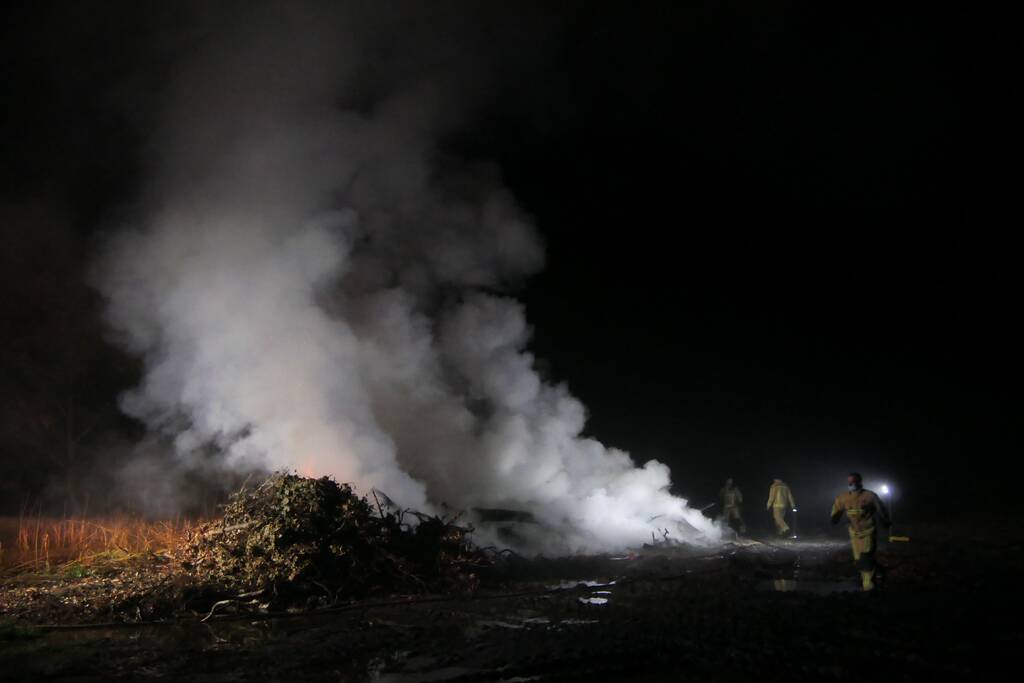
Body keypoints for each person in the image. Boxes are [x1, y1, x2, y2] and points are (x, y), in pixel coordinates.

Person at [831, 472, 890, 591]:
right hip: (854, 533)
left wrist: (885, 521)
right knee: (859, 560)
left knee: (866, 558)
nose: (851, 484)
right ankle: (877, 573)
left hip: (868, 531)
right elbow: (836, 509)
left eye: (853, 482)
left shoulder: (870, 496)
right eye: (849, 482)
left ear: (860, 482)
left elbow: (881, 509)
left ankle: (868, 585)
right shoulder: (843, 497)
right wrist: (834, 518)